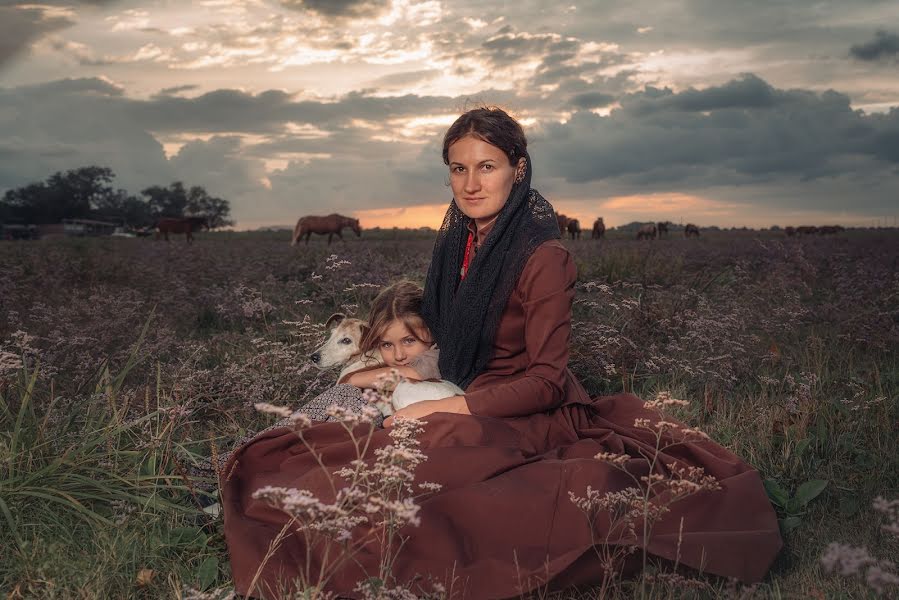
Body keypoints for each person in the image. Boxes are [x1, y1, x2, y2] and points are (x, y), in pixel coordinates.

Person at [221, 107, 783, 598]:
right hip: (455, 386)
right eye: (458, 168)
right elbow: (438, 336)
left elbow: (545, 381)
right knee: (315, 445)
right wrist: (386, 369)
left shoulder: (544, 257)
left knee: (422, 486)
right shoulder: (456, 242)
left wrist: (441, 407)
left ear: (518, 168)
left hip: (518, 409)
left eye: (486, 166)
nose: (470, 183)